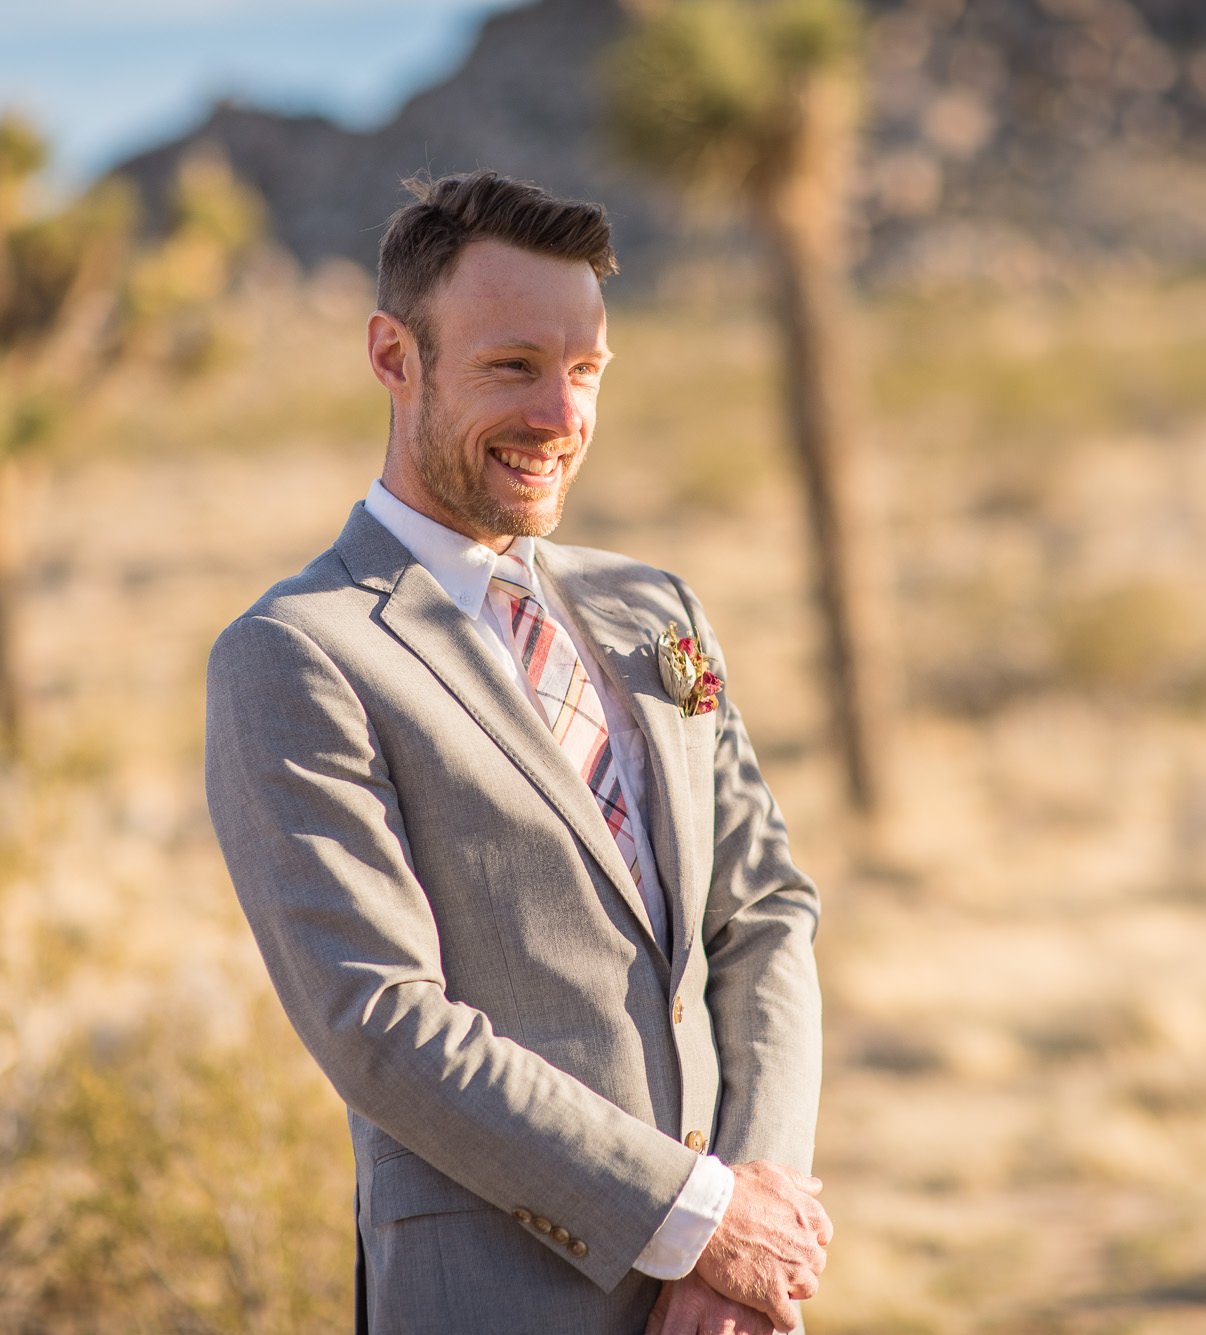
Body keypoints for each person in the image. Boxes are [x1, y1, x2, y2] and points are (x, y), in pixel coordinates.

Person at [205, 170, 830, 1334]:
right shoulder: (297, 655)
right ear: (395, 358)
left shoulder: (656, 610)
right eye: (512, 368)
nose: (559, 415)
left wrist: (750, 1226)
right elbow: (381, 1025)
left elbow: (766, 917)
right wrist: (695, 1218)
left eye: (583, 371)